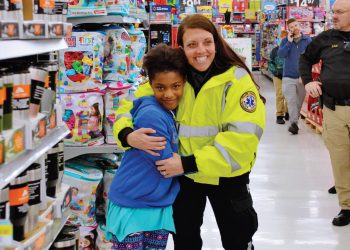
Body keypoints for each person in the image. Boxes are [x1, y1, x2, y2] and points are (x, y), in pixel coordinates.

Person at [114, 14, 265, 250]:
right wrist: (127, 135)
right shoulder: (174, 75)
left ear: (216, 42)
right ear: (182, 48)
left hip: (224, 177)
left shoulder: (236, 81)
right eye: (192, 44)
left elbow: (242, 141)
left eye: (207, 42)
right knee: (185, 240)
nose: (200, 50)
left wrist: (187, 163)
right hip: (185, 180)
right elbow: (127, 107)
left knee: (237, 239)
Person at [106, 44, 187, 249]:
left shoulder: (169, 103)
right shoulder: (151, 112)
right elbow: (165, 162)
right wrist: (127, 136)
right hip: (134, 203)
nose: (169, 94)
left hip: (156, 201)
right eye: (161, 87)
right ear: (151, 84)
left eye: (176, 86)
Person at [299, 0, 350, 226]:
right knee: (340, 159)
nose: (334, 16)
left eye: (339, 12)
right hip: (333, 109)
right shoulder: (325, 38)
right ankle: (347, 206)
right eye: (333, 12)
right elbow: (305, 58)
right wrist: (309, 82)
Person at [278, 18, 312, 134]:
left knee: (298, 102)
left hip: (302, 78)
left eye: (296, 25)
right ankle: (294, 124)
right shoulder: (285, 41)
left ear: (299, 26)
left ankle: (294, 122)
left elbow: (312, 57)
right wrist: (288, 42)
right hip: (288, 76)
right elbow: (281, 55)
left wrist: (306, 75)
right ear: (289, 29)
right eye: (292, 27)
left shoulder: (307, 40)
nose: (294, 28)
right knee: (291, 101)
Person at [268, 30, 289, 124]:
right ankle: (279, 115)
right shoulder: (275, 50)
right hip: (278, 76)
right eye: (283, 38)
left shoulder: (291, 50)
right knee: (280, 95)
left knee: (289, 95)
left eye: (286, 38)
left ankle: (288, 112)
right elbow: (270, 63)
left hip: (289, 76)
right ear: (280, 38)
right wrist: (276, 72)